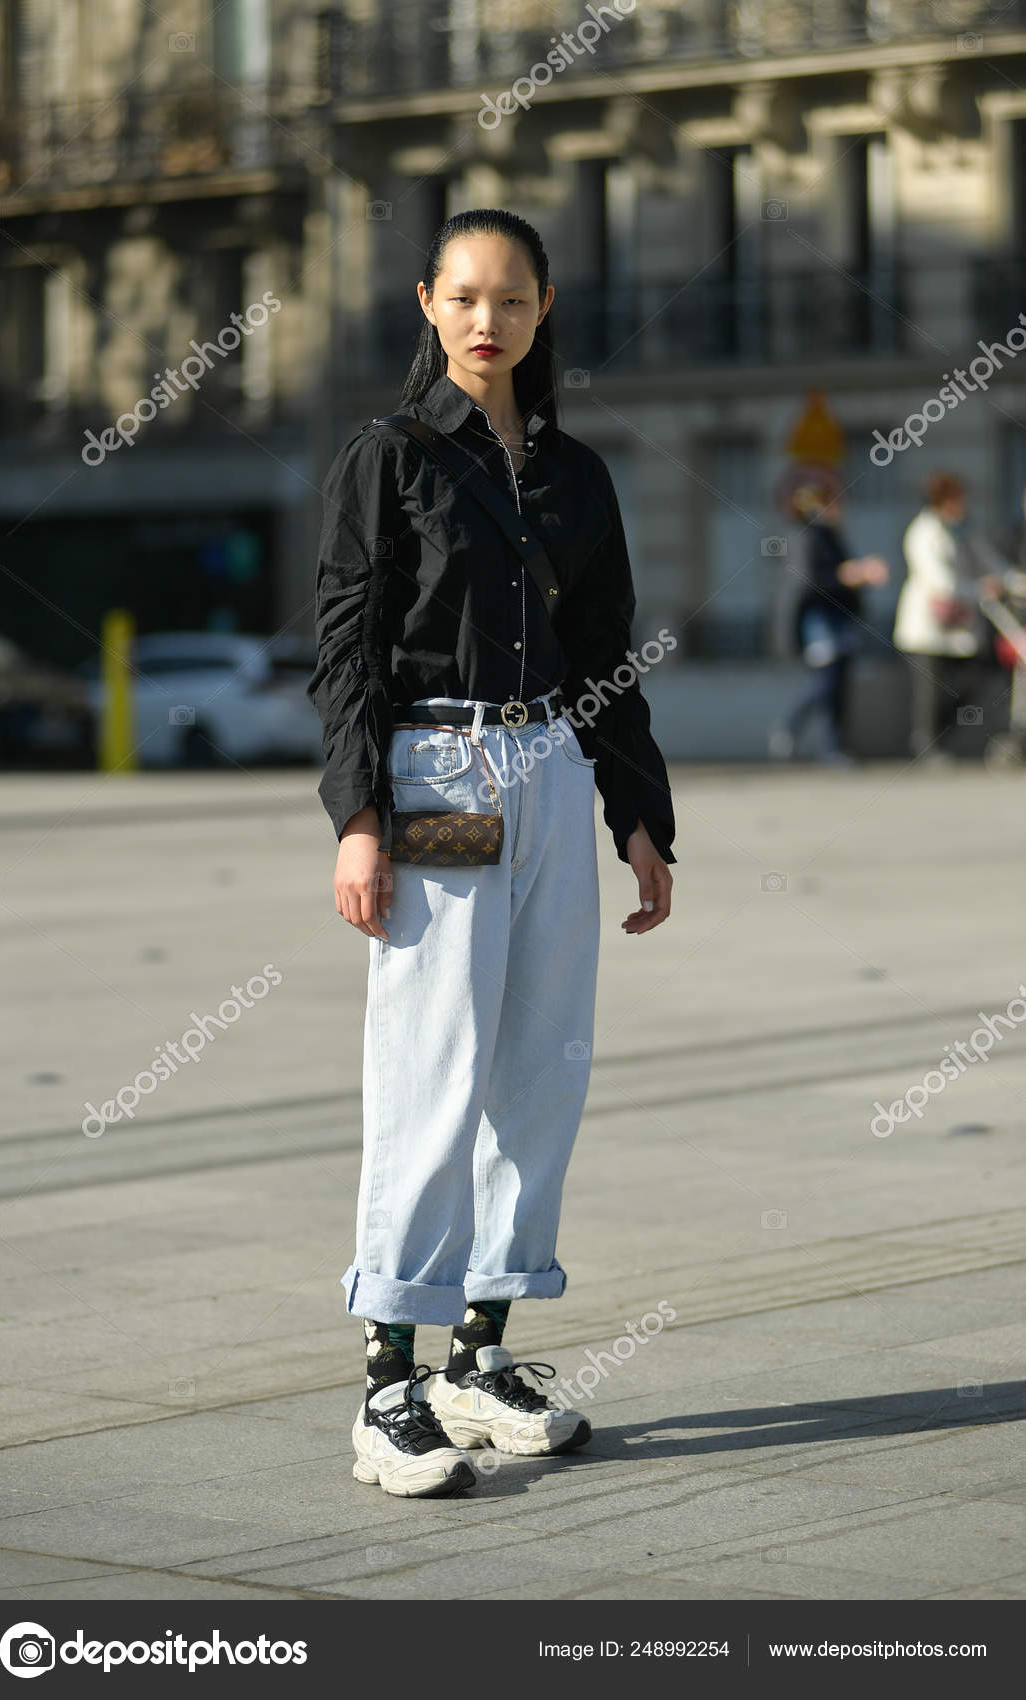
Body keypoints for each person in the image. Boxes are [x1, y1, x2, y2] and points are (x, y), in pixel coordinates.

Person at [309, 208, 677, 1499]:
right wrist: (358, 818)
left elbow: (603, 658)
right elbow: (345, 654)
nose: (485, 319)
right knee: (429, 1075)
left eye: (508, 299)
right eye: (462, 296)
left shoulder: (575, 475)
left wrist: (637, 816)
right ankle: (386, 1386)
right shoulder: (390, 458)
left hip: (548, 773)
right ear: (425, 303)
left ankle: (479, 1357)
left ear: (541, 309)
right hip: (438, 776)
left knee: (536, 1074)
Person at [768, 488, 888, 764]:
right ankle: (792, 727)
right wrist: (851, 575)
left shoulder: (830, 535)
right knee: (826, 681)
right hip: (820, 619)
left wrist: (854, 576)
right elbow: (810, 581)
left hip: (838, 617)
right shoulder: (807, 535)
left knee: (838, 683)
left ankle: (832, 746)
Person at [893, 473, 1003, 760]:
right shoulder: (923, 532)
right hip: (928, 628)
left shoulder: (963, 530)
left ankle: (936, 734)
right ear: (945, 500)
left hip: (959, 627)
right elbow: (940, 581)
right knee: (929, 692)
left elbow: (991, 563)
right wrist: (980, 589)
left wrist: (1013, 581)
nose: (964, 505)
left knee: (973, 678)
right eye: (959, 499)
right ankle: (927, 744)